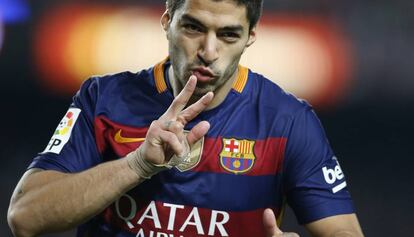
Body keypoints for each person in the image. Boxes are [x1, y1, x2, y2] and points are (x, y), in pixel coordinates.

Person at [8, 0, 364, 236]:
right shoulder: (104, 100)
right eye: (193, 28)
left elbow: (344, 230)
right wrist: (136, 166)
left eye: (228, 34)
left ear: (251, 36)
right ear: (167, 22)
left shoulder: (287, 122)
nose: (209, 52)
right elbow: (24, 216)